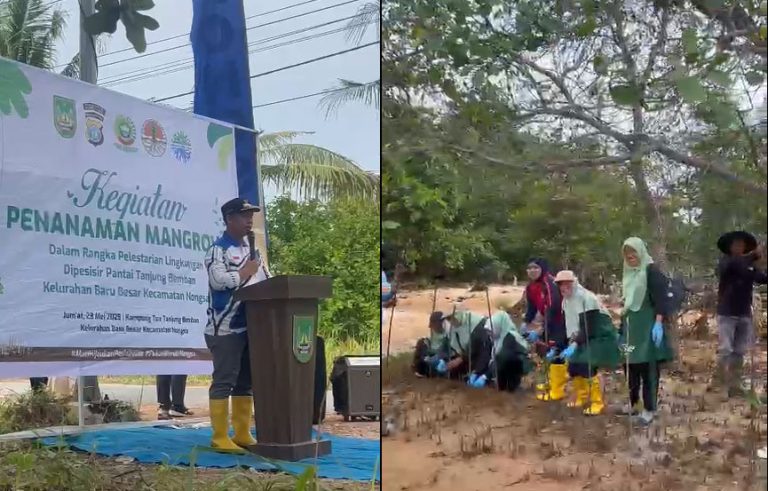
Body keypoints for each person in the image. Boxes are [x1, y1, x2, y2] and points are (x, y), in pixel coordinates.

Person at [204, 197, 270, 452]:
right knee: (224, 380)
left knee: (245, 381)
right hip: (225, 327)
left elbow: (265, 280)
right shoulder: (217, 250)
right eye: (244, 216)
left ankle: (242, 433)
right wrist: (246, 272)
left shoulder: (253, 251)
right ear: (229, 219)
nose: (249, 221)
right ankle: (220, 437)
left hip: (252, 326)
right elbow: (218, 281)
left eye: (251, 216)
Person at [619, 237, 674, 425]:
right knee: (629, 365)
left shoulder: (651, 271)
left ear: (641, 251)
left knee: (648, 368)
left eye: (633, 252)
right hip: (630, 325)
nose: (630, 256)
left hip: (648, 324)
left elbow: (661, 298)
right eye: (627, 253)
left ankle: (650, 409)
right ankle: (634, 403)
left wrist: (658, 323)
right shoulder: (628, 273)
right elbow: (627, 301)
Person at [553, 270, 620, 415]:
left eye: (567, 284)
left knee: (587, 364)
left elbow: (589, 326)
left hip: (600, 334)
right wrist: (566, 343)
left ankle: (597, 402)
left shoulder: (587, 298)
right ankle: (582, 397)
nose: (564, 287)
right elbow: (569, 325)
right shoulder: (566, 301)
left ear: (574, 283)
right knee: (574, 365)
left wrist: (575, 344)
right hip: (581, 335)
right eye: (560, 285)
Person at [713, 231, 767, 397]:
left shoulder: (749, 266)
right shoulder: (726, 262)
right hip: (727, 313)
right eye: (736, 244)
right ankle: (720, 386)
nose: (739, 247)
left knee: (739, 351)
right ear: (729, 247)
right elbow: (734, 266)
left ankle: (735, 385)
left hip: (744, 313)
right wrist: (752, 256)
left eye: (742, 245)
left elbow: (762, 278)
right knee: (725, 349)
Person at [519, 258, 568, 402]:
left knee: (556, 350)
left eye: (535, 268)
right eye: (529, 268)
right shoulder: (530, 287)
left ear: (542, 269)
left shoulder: (550, 283)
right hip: (547, 321)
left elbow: (553, 308)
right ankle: (550, 381)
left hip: (560, 321)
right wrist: (526, 323)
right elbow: (532, 308)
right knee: (544, 351)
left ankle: (558, 389)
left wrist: (540, 329)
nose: (532, 271)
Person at [481, 310, 532, 392]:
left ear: (498, 327)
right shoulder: (497, 338)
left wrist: (485, 376)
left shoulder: (510, 336)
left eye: (490, 330)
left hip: (519, 367)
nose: (489, 333)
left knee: (502, 360)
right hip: (509, 366)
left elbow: (501, 357)